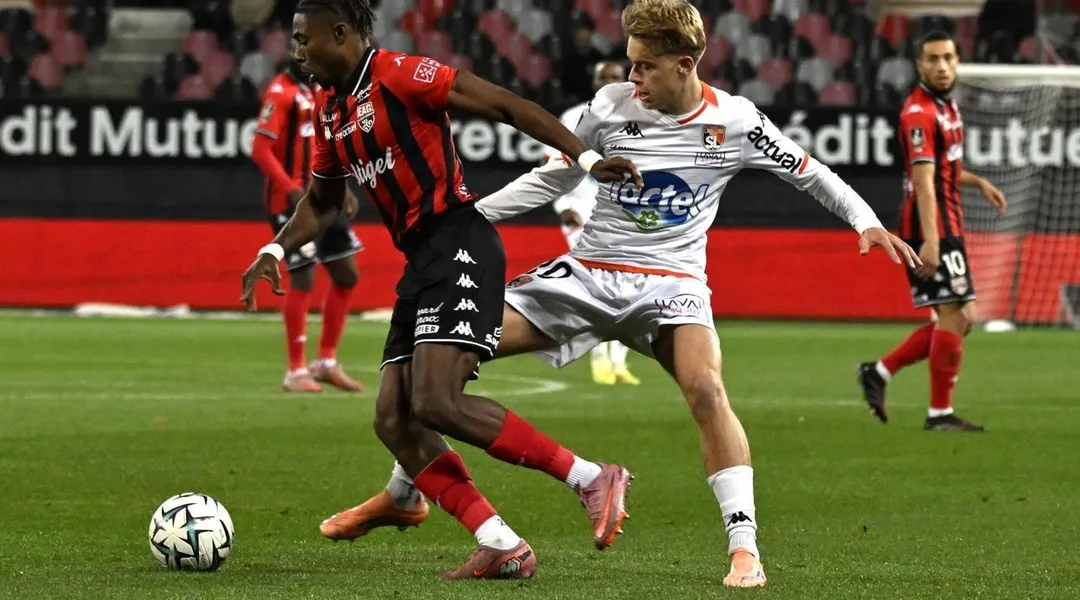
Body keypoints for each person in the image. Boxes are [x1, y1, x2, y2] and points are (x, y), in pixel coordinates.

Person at [332, 0, 919, 588]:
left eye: (644, 67)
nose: (629, 77)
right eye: (629, 64)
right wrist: (472, 217)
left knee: (707, 392)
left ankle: (745, 550)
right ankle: (402, 494)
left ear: (685, 65)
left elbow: (809, 171)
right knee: (437, 364)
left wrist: (864, 220)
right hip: (586, 273)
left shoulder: (736, 122)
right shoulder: (609, 106)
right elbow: (556, 175)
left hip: (672, 285)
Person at [239, 0, 643, 581]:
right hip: (421, 261)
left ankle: (590, 476)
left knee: (435, 401)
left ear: (341, 32)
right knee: (393, 419)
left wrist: (586, 157)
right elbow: (323, 201)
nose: (297, 51)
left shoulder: (402, 74)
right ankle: (499, 542)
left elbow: (507, 104)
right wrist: (277, 247)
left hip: (460, 241)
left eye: (305, 39)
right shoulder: (330, 108)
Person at [856, 31, 1007, 432]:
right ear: (919, 65)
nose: (942, 66)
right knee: (957, 316)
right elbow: (923, 182)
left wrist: (979, 184)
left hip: (947, 220)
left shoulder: (947, 107)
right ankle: (938, 413)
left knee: (961, 317)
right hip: (932, 224)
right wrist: (932, 239)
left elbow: (947, 169)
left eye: (948, 58)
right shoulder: (919, 114)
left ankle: (880, 372)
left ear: (958, 62)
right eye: (933, 59)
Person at [250, 59, 364, 393]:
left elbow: (325, 144)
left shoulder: (319, 91)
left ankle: (326, 361)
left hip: (323, 196)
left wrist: (342, 187)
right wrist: (291, 188)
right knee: (304, 278)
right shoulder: (280, 93)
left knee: (347, 275)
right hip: (290, 202)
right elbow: (260, 149)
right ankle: (295, 370)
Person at [543, 59, 640, 386]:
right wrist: (563, 206)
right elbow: (554, 168)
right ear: (594, 80)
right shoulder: (573, 118)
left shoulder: (640, 115)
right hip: (583, 209)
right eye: (604, 77)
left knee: (627, 287)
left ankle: (618, 362)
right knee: (602, 284)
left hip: (625, 214)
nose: (609, 81)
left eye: (615, 76)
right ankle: (600, 359)